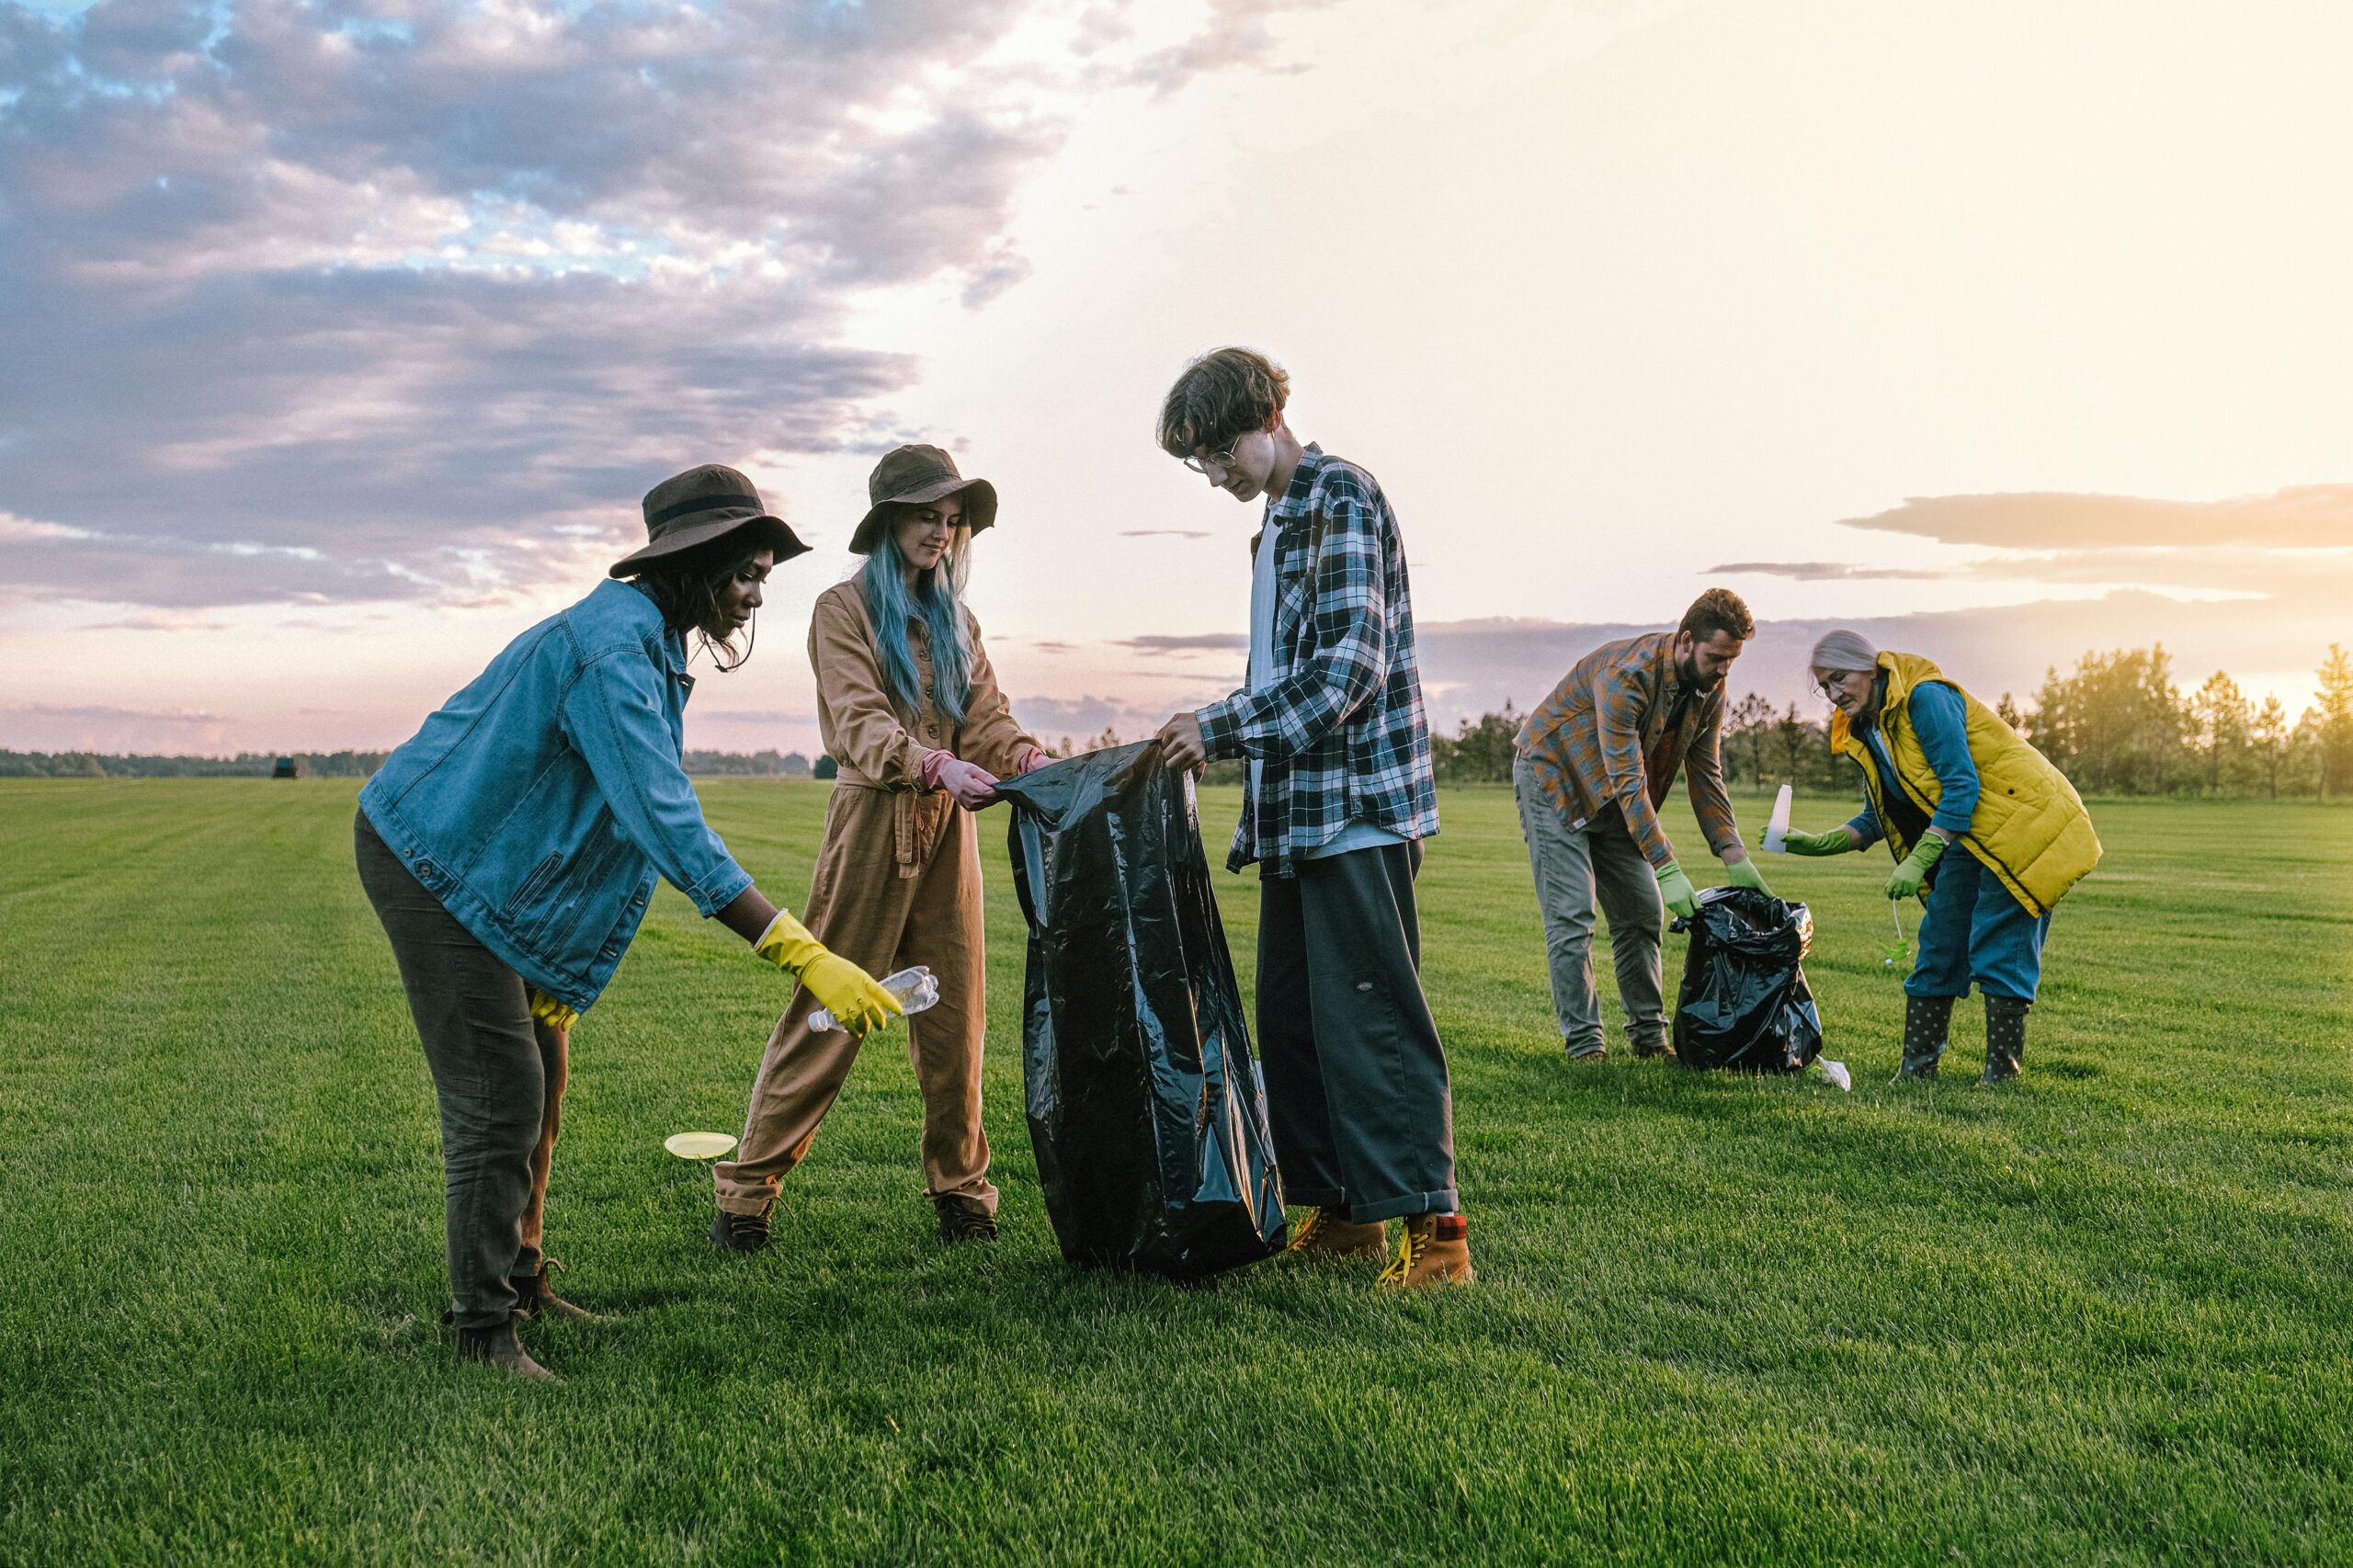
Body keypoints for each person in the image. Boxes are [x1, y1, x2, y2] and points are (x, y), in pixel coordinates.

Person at [356, 464, 903, 1381]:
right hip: (434, 860)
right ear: (691, 561)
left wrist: (559, 970)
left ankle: (521, 1275)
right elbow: (662, 820)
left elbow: (588, 826)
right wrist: (803, 953)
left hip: (487, 868)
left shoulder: (647, 641)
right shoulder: (615, 649)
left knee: (545, 1069)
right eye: (744, 571)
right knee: (500, 1097)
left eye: (764, 572)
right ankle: (480, 1334)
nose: (755, 591)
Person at [1152, 347, 1470, 1290]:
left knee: (1372, 1023)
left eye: (1216, 453)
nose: (1212, 476)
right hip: (1295, 817)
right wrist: (1220, 725)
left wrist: (1218, 727)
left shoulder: (1338, 494)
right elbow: (1281, 676)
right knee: (1295, 1026)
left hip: (1357, 810)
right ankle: (1341, 1213)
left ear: (1265, 418)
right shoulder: (1278, 525)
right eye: (1197, 464)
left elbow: (1347, 670)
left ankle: (1438, 1230)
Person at [711, 445, 1047, 1251]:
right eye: (928, 515)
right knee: (829, 1011)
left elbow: (988, 719)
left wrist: (1028, 760)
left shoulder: (958, 621)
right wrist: (930, 762)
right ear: (890, 521)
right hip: (871, 822)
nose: (943, 530)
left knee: (957, 1021)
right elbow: (859, 721)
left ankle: (963, 1191)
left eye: (953, 518)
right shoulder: (841, 610)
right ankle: (746, 1195)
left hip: (947, 835)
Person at [1781, 631, 2101, 1084]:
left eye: (1839, 678)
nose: (1834, 694)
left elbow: (1961, 786)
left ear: (1869, 668)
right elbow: (1882, 813)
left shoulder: (1925, 700)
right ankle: (1917, 1069)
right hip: (1970, 833)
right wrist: (1819, 842)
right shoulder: (1871, 729)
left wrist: (1921, 857)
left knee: (2000, 942)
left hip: (2023, 824)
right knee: (1940, 942)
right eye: (1825, 687)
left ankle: (2002, 1073)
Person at [1513, 590, 1771, 1062]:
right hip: (1556, 781)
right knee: (1572, 917)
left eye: (1732, 660)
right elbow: (1628, 780)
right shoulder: (1626, 676)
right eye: (1716, 657)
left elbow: (1706, 773)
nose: (1724, 670)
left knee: (1642, 914)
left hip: (1616, 798)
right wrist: (1667, 865)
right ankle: (1586, 1047)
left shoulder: (1711, 690)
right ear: (1686, 640)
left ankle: (1650, 1040)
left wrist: (1734, 854)